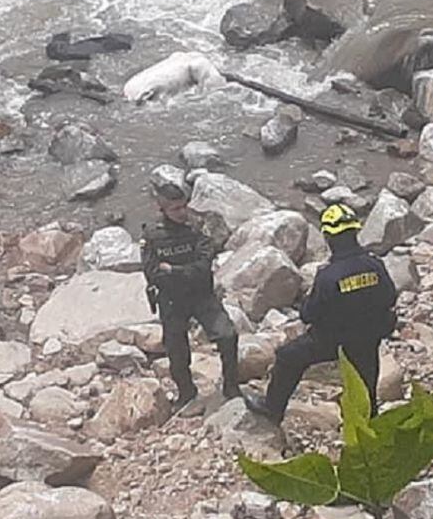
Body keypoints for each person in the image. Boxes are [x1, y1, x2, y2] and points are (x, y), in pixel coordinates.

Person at [246, 204, 397, 425]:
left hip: (334, 340)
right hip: (369, 337)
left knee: (288, 357)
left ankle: (272, 408)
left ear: (329, 238)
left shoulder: (328, 276)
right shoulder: (374, 265)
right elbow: (389, 297)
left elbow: (309, 314)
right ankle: (368, 422)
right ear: (355, 232)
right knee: (366, 386)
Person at [141, 178, 241, 413]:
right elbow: (153, 273)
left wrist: (174, 270)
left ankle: (231, 386)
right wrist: (181, 273)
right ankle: (186, 392)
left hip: (201, 295)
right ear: (162, 209)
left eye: (183, 206)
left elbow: (204, 266)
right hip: (172, 300)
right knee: (176, 349)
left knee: (227, 335)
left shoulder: (197, 227)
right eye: (175, 209)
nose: (181, 212)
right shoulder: (152, 235)